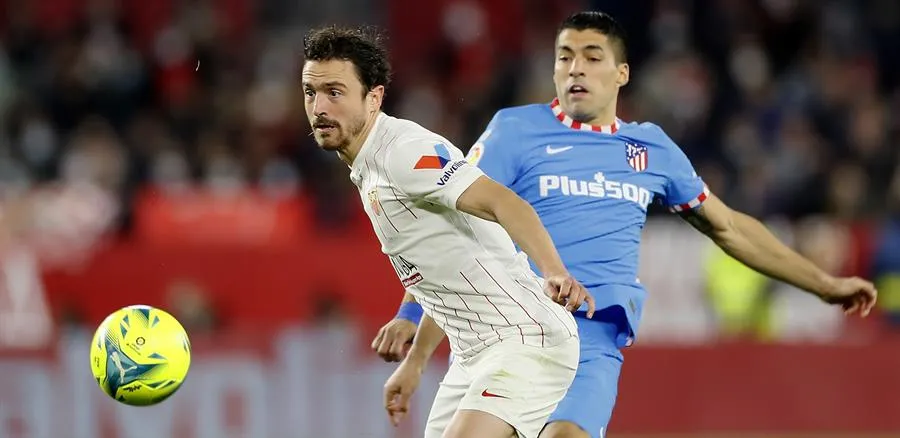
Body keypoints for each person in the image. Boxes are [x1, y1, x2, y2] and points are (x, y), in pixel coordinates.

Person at [371, 11, 878, 438]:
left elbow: (729, 227)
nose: (576, 68)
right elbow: (455, 227)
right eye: (565, 56)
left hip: (594, 339)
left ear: (621, 74)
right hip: (515, 329)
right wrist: (412, 328)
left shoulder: (651, 148)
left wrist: (824, 283)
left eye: (592, 57)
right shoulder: (514, 131)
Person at [301, 25, 597, 438]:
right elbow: (441, 270)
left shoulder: (403, 153)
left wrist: (554, 271)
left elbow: (503, 202)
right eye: (310, 92)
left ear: (374, 97)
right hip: (472, 354)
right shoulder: (367, 166)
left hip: (525, 339)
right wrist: (416, 357)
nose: (319, 107)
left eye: (335, 91)